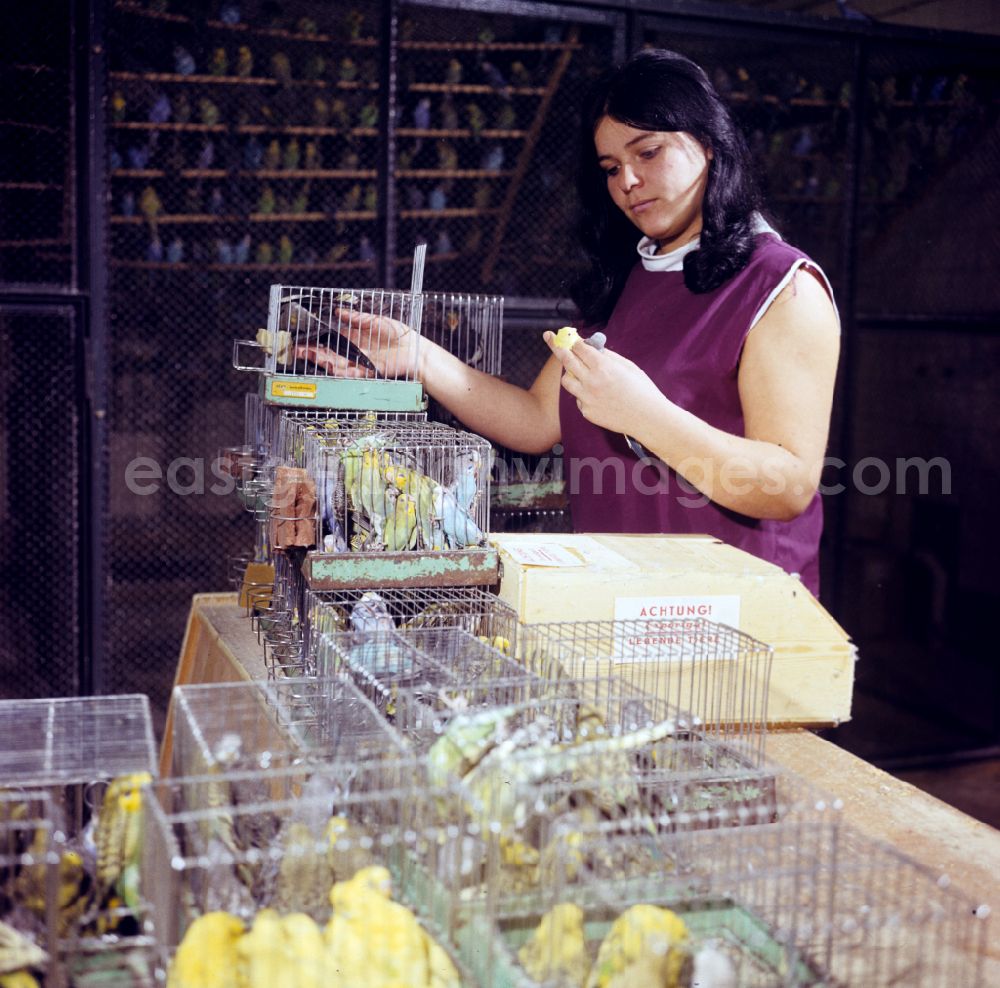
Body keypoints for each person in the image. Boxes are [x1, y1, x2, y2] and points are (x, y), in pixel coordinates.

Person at [299, 48, 840, 596]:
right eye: (610, 168)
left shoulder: (781, 285)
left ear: (708, 143)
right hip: (620, 603)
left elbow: (788, 485)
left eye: (648, 152)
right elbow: (537, 420)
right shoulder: (633, 277)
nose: (628, 180)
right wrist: (419, 355)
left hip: (738, 611)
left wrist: (645, 416)